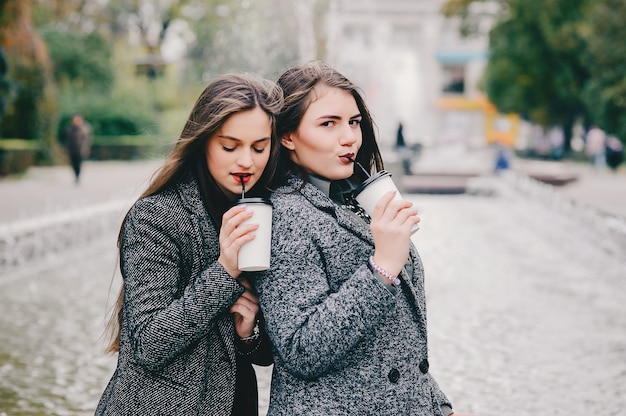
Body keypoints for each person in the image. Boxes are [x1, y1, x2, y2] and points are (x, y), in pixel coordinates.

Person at [254, 61, 455, 415]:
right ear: (287, 136)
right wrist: (382, 267)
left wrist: (437, 406)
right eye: (328, 124)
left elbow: (395, 339)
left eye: (354, 122)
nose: (349, 137)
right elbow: (301, 348)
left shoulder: (351, 200)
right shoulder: (286, 216)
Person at [96, 73, 283, 415]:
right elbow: (149, 342)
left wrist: (248, 335)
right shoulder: (158, 216)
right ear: (204, 141)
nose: (247, 161)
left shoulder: (267, 212)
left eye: (259, 147)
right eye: (230, 146)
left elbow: (272, 351)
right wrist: (225, 271)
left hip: (235, 401)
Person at [64, 113, 92, 184]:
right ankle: (76, 175)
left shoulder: (84, 128)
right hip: (72, 150)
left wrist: (86, 149)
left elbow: (87, 140)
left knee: (79, 164)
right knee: (73, 164)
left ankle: (77, 176)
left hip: (81, 150)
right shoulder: (70, 129)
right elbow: (67, 139)